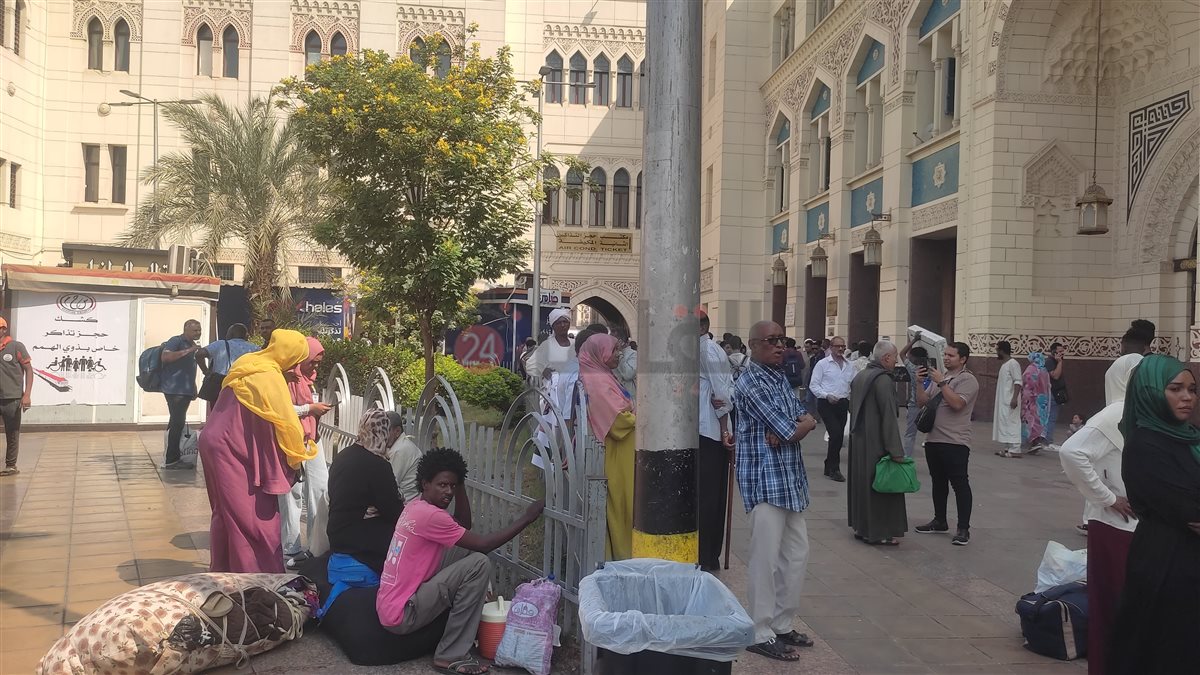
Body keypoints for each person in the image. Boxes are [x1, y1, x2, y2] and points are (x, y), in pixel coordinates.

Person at [377, 447, 544, 675]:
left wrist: (460, 481)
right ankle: (450, 655)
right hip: (403, 614)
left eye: (452, 486)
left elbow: (463, 527)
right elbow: (484, 544)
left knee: (466, 550)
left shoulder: (417, 505)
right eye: (442, 485)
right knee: (479, 563)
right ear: (425, 483)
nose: (449, 492)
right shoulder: (431, 516)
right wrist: (527, 518)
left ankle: (462, 622)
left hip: (390, 604)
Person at [1109, 355, 1200, 674]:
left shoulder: (1191, 438)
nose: (1187, 397)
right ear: (1150, 391)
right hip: (1167, 566)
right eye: (1175, 388)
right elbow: (1191, 509)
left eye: (1192, 389)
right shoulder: (1146, 445)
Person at [734, 320, 819, 662]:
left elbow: (802, 418)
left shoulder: (778, 377)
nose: (780, 345)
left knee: (796, 554)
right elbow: (788, 428)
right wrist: (794, 427)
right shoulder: (750, 382)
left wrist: (803, 423)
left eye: (782, 340)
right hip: (764, 481)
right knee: (765, 561)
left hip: (789, 480)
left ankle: (783, 623)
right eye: (771, 340)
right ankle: (759, 630)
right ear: (753, 345)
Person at [200, 329, 317, 573]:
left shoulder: (251, 362)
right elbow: (285, 425)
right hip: (230, 448)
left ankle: (225, 574)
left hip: (215, 441)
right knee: (251, 520)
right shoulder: (268, 376)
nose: (298, 368)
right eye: (298, 360)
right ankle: (257, 582)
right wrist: (296, 460)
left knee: (225, 513)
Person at [1059, 362, 1137, 675]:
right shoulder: (1117, 413)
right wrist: (1107, 497)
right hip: (1116, 525)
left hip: (1132, 526)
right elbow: (1072, 452)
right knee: (1115, 606)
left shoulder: (1138, 413)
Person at [914, 342, 980, 546]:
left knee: (960, 483)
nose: (946, 358)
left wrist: (942, 383)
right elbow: (922, 402)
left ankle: (963, 528)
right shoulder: (941, 377)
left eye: (951, 355)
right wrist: (919, 383)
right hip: (933, 439)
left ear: (963, 359)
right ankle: (939, 520)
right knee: (938, 482)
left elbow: (958, 404)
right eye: (945, 354)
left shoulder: (967, 380)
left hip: (955, 441)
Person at [327, 408, 406, 574]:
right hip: (357, 542)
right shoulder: (378, 465)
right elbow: (393, 511)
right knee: (405, 539)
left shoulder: (343, 455)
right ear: (383, 432)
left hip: (336, 533)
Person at [578, 334, 636, 560]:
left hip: (620, 450)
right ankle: (623, 557)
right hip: (617, 452)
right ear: (600, 354)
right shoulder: (598, 381)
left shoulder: (602, 375)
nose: (618, 354)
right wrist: (639, 415)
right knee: (620, 505)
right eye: (613, 351)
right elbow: (619, 421)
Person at [847, 341, 907, 545]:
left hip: (860, 441)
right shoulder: (882, 380)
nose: (897, 360)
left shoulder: (861, 376)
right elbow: (889, 417)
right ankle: (880, 532)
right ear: (886, 358)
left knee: (863, 486)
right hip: (877, 443)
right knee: (881, 488)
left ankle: (862, 528)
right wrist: (896, 450)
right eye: (895, 356)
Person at [281, 336, 333, 568]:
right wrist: (309, 409)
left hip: (312, 438)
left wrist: (314, 415)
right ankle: (291, 548)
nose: (316, 367)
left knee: (321, 488)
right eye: (313, 362)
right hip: (292, 440)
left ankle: (316, 545)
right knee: (292, 492)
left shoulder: (308, 379)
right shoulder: (286, 377)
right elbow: (279, 408)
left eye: (319, 362)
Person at [698, 311, 735, 571]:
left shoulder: (708, 351)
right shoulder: (697, 349)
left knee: (710, 496)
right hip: (701, 427)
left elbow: (721, 394)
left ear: (702, 326)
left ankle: (708, 554)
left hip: (710, 430)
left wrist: (724, 430)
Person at [809, 336, 855, 482]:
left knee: (839, 436)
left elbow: (854, 384)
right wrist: (826, 395)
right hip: (826, 403)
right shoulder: (823, 364)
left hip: (843, 403)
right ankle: (834, 469)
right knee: (835, 434)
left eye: (843, 346)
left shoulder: (850, 365)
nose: (840, 349)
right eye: (837, 346)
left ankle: (829, 464)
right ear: (831, 347)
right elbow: (813, 385)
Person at [160, 319, 203, 469]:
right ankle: (171, 460)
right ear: (186, 330)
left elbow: (188, 369)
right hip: (174, 390)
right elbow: (166, 357)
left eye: (199, 330)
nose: (198, 333)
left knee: (175, 422)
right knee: (178, 422)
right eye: (195, 330)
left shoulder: (192, 345)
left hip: (185, 390)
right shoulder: (176, 341)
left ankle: (170, 454)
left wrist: (193, 387)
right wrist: (189, 351)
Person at [0, 317, 32, 477]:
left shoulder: (15, 347)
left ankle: (10, 465)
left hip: (12, 398)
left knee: (12, 432)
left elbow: (29, 370)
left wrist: (26, 395)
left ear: (4, 329)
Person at [899, 338, 929, 458]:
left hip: (914, 404)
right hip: (930, 405)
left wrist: (913, 340)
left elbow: (901, 353)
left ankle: (907, 457)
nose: (909, 357)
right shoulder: (932, 369)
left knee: (910, 434)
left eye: (911, 356)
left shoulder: (912, 368)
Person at [992, 340, 1024, 458]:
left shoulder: (1013, 363)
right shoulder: (1005, 364)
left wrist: (1014, 398)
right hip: (1003, 400)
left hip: (1011, 399)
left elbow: (1018, 381)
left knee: (1012, 422)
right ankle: (1008, 448)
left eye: (997, 350)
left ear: (1001, 350)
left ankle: (1016, 449)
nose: (996, 352)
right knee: (1004, 422)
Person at [387, 411, 424, 504]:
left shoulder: (400, 450)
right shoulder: (400, 446)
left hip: (406, 505)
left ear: (397, 431)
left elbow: (387, 483)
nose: (381, 435)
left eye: (385, 430)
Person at [1021, 351, 1052, 454]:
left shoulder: (1031, 369)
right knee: (1039, 420)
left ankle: (1033, 442)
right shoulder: (1044, 370)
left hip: (1031, 399)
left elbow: (1026, 382)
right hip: (1042, 399)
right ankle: (1036, 441)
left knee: (1031, 421)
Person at [1044, 342, 1067, 443]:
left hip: (1057, 393)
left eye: (1063, 351)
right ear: (1054, 352)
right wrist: (1060, 362)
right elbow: (1055, 376)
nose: (1062, 353)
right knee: (1051, 418)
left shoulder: (1056, 362)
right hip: (1051, 394)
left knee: (1052, 417)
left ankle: (1047, 439)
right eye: (1060, 351)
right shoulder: (1050, 362)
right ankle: (1047, 440)